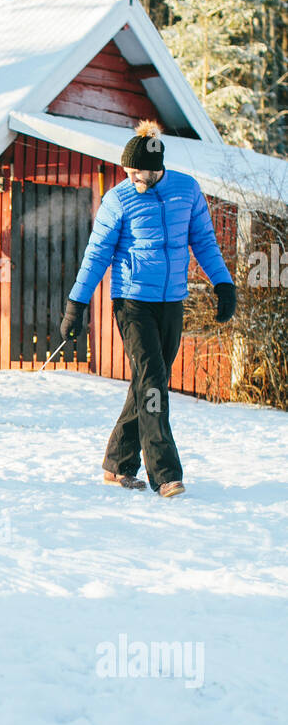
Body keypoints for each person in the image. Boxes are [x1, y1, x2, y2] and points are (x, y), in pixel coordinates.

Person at [60, 119, 236, 497]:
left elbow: (204, 240)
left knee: (146, 382)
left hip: (172, 301)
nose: (132, 177)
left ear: (156, 168)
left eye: (137, 172)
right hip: (133, 302)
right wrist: (76, 304)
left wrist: (224, 283)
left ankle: (116, 464)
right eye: (129, 171)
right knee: (154, 380)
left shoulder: (186, 191)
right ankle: (165, 472)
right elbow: (96, 254)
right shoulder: (119, 199)